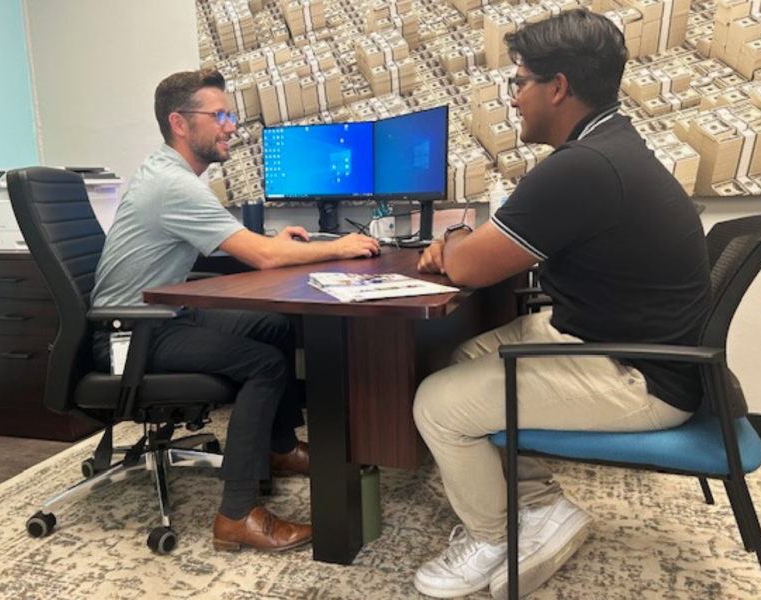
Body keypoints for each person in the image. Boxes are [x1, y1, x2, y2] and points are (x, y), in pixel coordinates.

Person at [412, 10, 712, 599]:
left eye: (519, 81)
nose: (514, 98)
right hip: (623, 343)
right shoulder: (610, 147)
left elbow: (468, 266)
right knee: (460, 357)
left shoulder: (583, 168)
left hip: (639, 375)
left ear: (558, 87)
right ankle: (540, 506)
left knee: (437, 405)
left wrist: (452, 238)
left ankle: (494, 539)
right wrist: (464, 243)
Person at [91, 68, 380, 553]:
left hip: (156, 316)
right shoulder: (173, 184)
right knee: (263, 365)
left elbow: (251, 246)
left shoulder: (168, 174)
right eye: (220, 116)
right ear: (180, 123)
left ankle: (279, 449)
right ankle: (236, 515)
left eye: (231, 116)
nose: (231, 127)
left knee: (273, 325)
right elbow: (262, 258)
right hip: (127, 337)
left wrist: (278, 243)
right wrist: (342, 246)